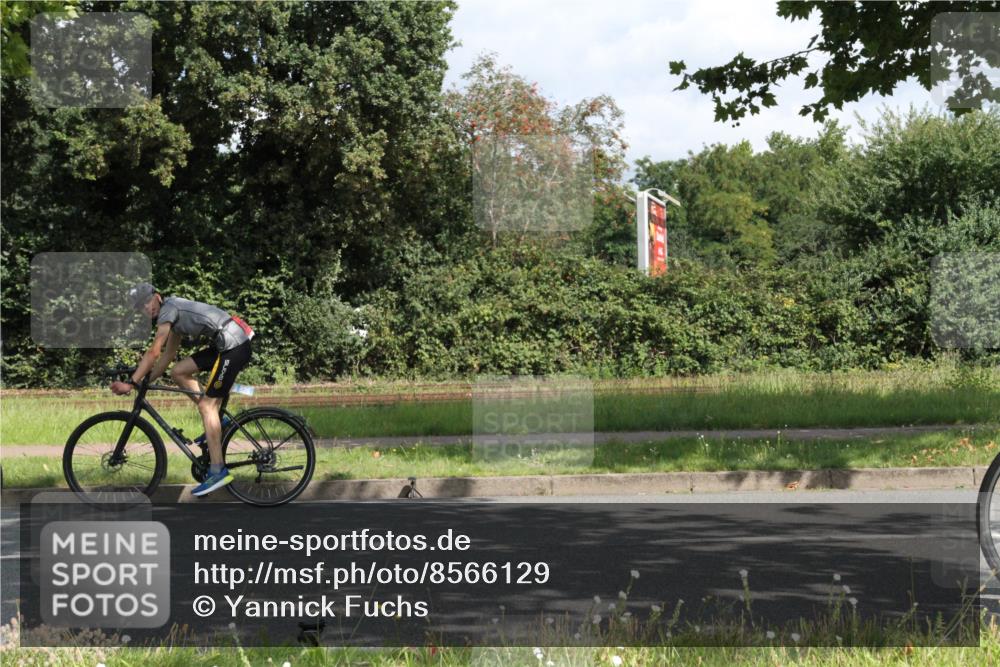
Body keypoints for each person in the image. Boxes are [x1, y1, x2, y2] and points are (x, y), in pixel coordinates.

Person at [111, 283, 253, 496]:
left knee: (207, 406)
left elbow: (154, 352)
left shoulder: (168, 310)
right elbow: (167, 357)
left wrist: (131, 382)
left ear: (157, 297)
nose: (146, 308)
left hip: (234, 346)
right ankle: (219, 422)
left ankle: (218, 471)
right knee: (178, 371)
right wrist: (144, 382)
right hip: (225, 344)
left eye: (147, 301)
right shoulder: (172, 316)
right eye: (141, 307)